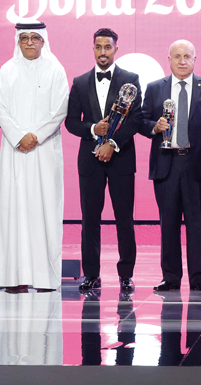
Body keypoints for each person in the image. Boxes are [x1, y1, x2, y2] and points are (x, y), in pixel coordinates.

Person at [140, 40, 201, 292]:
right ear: (169, 59)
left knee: (197, 224)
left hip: (197, 166)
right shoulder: (155, 88)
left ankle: (198, 277)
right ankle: (170, 277)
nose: (182, 61)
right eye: (177, 56)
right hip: (166, 165)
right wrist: (154, 126)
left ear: (195, 59)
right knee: (168, 224)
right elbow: (141, 120)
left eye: (187, 56)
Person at [0, 21, 69, 291]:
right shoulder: (7, 70)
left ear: (43, 41)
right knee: (13, 210)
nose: (29, 42)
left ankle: (46, 278)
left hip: (44, 151)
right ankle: (13, 277)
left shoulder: (55, 70)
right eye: (24, 38)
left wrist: (35, 136)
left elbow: (60, 110)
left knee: (45, 210)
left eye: (34, 37)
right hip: (14, 151)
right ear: (17, 41)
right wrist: (18, 136)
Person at [65, 28, 140, 292]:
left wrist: (112, 144)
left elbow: (136, 119)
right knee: (89, 220)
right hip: (90, 161)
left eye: (108, 47)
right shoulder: (79, 82)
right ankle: (91, 275)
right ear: (93, 48)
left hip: (121, 159)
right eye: (98, 47)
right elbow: (71, 122)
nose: (103, 52)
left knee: (124, 219)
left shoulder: (131, 80)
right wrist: (92, 129)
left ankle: (126, 275)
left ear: (116, 49)